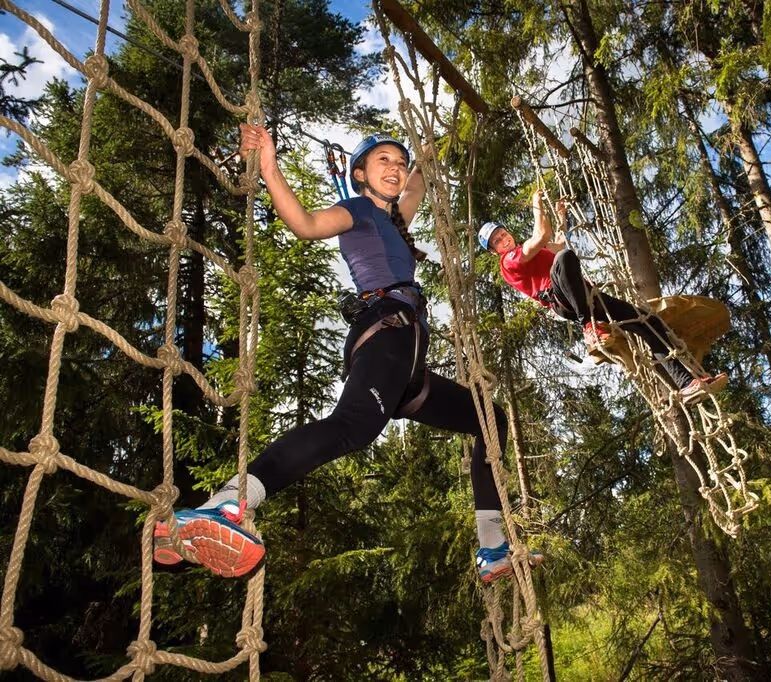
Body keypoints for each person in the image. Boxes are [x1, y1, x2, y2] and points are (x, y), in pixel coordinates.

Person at [153, 124, 539, 582]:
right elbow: (306, 224)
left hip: (409, 364)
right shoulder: (356, 210)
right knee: (350, 428)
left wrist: (428, 154)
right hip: (387, 335)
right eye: (383, 162)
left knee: (488, 419)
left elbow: (416, 183)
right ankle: (223, 504)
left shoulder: (395, 220)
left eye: (399, 161)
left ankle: (493, 549)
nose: (395, 169)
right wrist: (271, 169)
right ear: (359, 175)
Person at [481, 189, 726, 403]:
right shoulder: (509, 261)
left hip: (585, 296)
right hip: (563, 299)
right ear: (494, 252)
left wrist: (562, 217)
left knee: (647, 321)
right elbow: (543, 237)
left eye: (502, 234)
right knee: (565, 260)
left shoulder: (528, 251)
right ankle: (588, 326)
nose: (504, 239)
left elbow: (557, 245)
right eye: (497, 241)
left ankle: (686, 384)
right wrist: (537, 204)